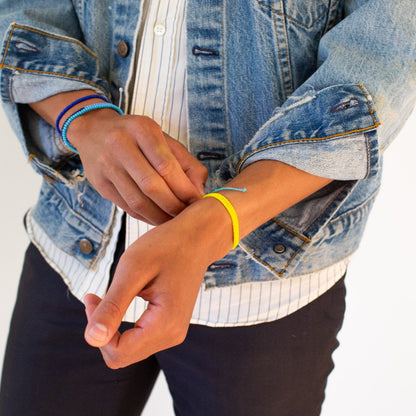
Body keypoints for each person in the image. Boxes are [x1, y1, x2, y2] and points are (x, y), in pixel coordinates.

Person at [0, 0, 415, 415]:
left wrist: (215, 224)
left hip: (264, 288)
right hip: (75, 250)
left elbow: (383, 59)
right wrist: (84, 118)